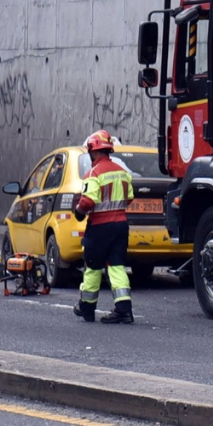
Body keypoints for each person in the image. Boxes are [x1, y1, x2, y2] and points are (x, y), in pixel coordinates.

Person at [73, 130, 135, 324]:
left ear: (93, 151)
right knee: (117, 266)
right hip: (120, 225)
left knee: (92, 267)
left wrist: (78, 210)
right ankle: (123, 310)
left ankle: (87, 308)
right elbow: (130, 197)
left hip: (100, 226)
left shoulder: (94, 173)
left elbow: (88, 200)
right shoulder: (122, 172)